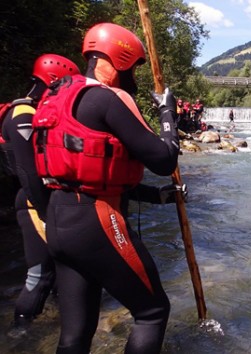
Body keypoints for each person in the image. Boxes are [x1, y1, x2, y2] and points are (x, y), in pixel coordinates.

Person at [32, 23, 180, 353]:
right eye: (132, 69)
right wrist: (168, 115)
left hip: (59, 220)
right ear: (118, 60)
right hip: (96, 221)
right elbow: (162, 159)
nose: (134, 79)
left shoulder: (60, 93)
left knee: (75, 333)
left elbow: (92, 170)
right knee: (153, 312)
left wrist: (153, 196)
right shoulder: (106, 98)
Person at [1, 54, 80, 333]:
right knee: (40, 276)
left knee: (61, 274)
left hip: (43, 201)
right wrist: (48, 215)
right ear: (54, 80)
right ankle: (19, 333)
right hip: (34, 203)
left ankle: (58, 326)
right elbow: (28, 172)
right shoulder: (24, 114)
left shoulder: (38, 111)